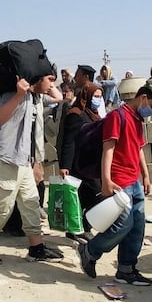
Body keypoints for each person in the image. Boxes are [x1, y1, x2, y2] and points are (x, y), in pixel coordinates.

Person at [76, 83, 152, 286]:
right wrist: (106, 180)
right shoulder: (118, 116)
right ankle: (89, 251)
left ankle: (126, 269)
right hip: (119, 181)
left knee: (137, 226)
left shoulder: (137, 119)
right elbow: (108, 148)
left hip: (134, 179)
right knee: (122, 225)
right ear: (143, 97)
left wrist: (146, 175)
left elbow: (139, 149)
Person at [0, 70, 64, 265]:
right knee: (2, 207)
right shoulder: (10, 95)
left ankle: (36, 248)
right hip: (5, 157)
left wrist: (45, 84)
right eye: (49, 80)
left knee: (31, 203)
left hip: (23, 160)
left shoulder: (35, 98)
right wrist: (19, 94)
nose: (51, 85)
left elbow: (59, 97)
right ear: (37, 79)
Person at [57, 83, 104, 242]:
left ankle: (80, 227)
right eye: (95, 96)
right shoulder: (75, 114)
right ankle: (79, 228)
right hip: (79, 164)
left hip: (92, 164)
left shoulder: (95, 114)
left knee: (87, 198)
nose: (98, 100)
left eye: (99, 97)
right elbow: (68, 142)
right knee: (95, 195)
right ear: (87, 96)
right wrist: (65, 166)